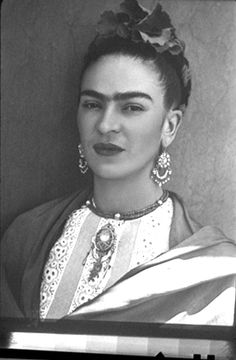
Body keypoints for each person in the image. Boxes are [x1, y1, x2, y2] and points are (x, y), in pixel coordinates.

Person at [1, 0, 236, 326]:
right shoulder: (25, 238)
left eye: (132, 107)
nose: (106, 124)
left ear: (170, 125)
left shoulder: (216, 268)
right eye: (93, 104)